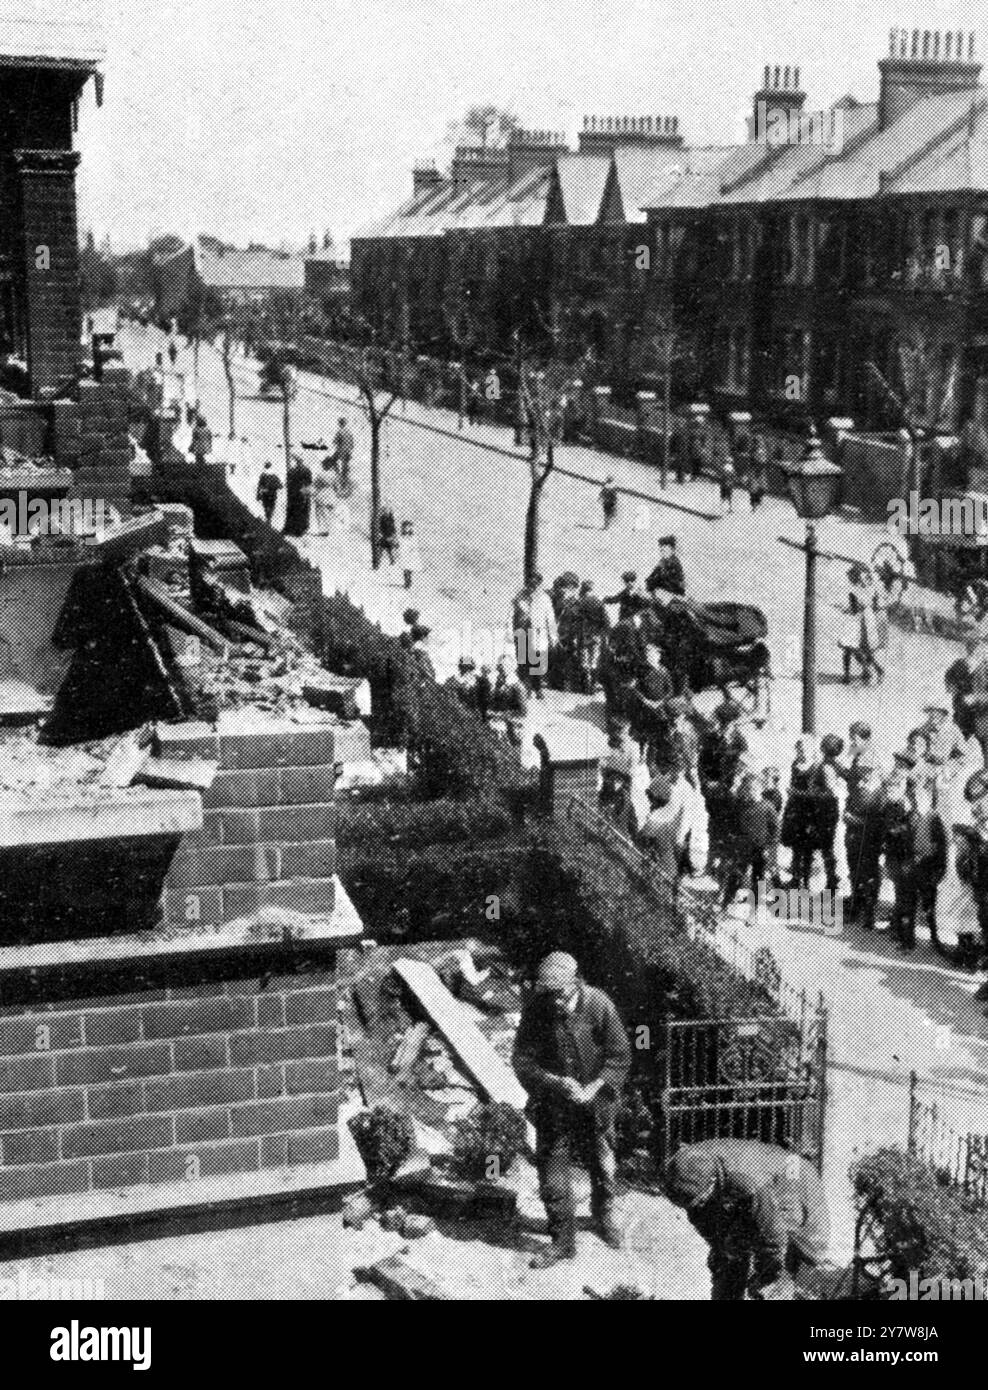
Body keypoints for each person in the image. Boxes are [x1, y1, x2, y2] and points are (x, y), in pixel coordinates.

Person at [513, 952, 631, 1268]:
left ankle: (604, 1214)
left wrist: (592, 1089)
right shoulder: (536, 1010)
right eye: (549, 996)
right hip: (553, 1107)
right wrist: (555, 1082)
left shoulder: (598, 1004)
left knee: (603, 1164)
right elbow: (522, 1061)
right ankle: (562, 1242)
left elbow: (620, 1056)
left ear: (575, 982)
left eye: (562, 996)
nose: (556, 1003)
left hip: (596, 1106)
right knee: (552, 1177)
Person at [664, 1138, 829, 1300]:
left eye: (700, 1200)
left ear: (712, 1182)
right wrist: (723, 1252)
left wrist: (767, 1277)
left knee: (792, 1252)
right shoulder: (684, 1170)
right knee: (730, 1252)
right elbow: (708, 1226)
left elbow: (773, 1238)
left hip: (793, 1173)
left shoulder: (749, 1183)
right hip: (757, 1180)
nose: (695, 1207)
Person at [721, 771, 779, 910]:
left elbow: (775, 829)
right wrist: (732, 842)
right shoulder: (740, 806)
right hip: (743, 848)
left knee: (758, 879)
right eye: (747, 789)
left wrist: (770, 848)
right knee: (736, 875)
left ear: (760, 789)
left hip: (760, 849)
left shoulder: (767, 807)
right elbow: (733, 825)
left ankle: (754, 909)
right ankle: (726, 903)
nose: (749, 792)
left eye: (753, 789)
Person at [843, 761, 884, 930]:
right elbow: (846, 810)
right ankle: (855, 906)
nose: (863, 778)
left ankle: (869, 912)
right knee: (854, 872)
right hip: (853, 838)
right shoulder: (856, 791)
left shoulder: (880, 795)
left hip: (870, 840)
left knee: (870, 875)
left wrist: (856, 820)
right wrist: (846, 816)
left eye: (867, 774)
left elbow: (879, 821)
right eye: (862, 774)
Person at [781, 735, 820, 889]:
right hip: (795, 810)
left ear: (811, 750)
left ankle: (806, 881)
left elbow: (814, 793)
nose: (801, 753)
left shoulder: (815, 767)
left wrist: (794, 792)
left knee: (808, 847)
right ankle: (796, 878)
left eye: (804, 750)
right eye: (799, 750)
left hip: (810, 810)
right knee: (796, 846)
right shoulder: (795, 765)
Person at [513, 573, 557, 700]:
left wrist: (553, 636)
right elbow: (512, 615)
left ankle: (537, 688)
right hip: (522, 633)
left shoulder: (545, 598)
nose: (533, 587)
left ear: (539, 584)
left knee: (536, 661)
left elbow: (550, 618)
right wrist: (510, 632)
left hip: (538, 634)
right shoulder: (520, 597)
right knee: (523, 660)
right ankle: (525, 689)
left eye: (536, 584)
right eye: (531, 584)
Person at [838, 565, 883, 685]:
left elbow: (854, 609)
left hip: (857, 622)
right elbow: (876, 607)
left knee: (849, 647)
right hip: (869, 620)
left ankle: (850, 675)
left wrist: (845, 609)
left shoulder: (854, 591)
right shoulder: (872, 589)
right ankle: (874, 670)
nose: (850, 579)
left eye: (851, 576)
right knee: (865, 649)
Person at [571, 581, 609, 694]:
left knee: (584, 660)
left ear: (583, 590)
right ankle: (592, 687)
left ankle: (584, 687)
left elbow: (574, 620)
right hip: (596, 636)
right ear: (592, 590)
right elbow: (606, 621)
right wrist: (604, 635)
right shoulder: (599, 602)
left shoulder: (578, 603)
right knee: (594, 661)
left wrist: (573, 635)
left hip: (583, 635)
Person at [282, 454, 313, 538]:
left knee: (293, 511)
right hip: (301, 493)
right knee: (302, 511)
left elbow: (288, 483)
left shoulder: (291, 471)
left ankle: (292, 529)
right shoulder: (306, 470)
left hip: (294, 494)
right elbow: (309, 483)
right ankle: (300, 529)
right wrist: (306, 493)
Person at [311, 461, 335, 536]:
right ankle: (328, 529)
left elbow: (315, 485)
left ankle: (322, 530)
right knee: (329, 512)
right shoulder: (333, 474)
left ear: (324, 465)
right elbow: (336, 486)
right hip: (331, 494)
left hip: (321, 494)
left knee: (320, 512)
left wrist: (312, 493)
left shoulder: (320, 474)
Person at [256, 462, 283, 526]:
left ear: (265, 467)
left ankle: (268, 519)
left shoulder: (263, 475)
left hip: (265, 494)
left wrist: (258, 495)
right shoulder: (275, 475)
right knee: (271, 506)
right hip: (273, 494)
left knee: (266, 506)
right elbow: (280, 486)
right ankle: (269, 519)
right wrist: (275, 487)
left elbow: (259, 486)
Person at [398, 520, 422, 590]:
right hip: (403, 553)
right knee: (405, 569)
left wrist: (413, 551)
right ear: (403, 528)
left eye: (408, 527)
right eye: (405, 527)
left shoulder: (413, 536)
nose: (407, 529)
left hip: (411, 554)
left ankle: (409, 581)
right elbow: (399, 544)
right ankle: (407, 582)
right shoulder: (401, 536)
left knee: (410, 568)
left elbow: (415, 545)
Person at [748, 435, 769, 510]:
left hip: (761, 470)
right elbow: (750, 461)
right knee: (753, 488)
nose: (759, 443)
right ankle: (754, 505)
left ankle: (758, 500)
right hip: (754, 470)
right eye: (757, 441)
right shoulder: (752, 450)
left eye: (760, 441)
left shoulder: (764, 450)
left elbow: (765, 460)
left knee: (764, 488)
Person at [333, 418, 355, 486]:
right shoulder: (349, 432)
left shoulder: (339, 432)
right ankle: (345, 478)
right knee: (345, 465)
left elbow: (335, 441)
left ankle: (339, 475)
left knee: (333, 461)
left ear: (340, 424)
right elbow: (352, 444)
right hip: (348, 452)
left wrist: (338, 445)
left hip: (341, 451)